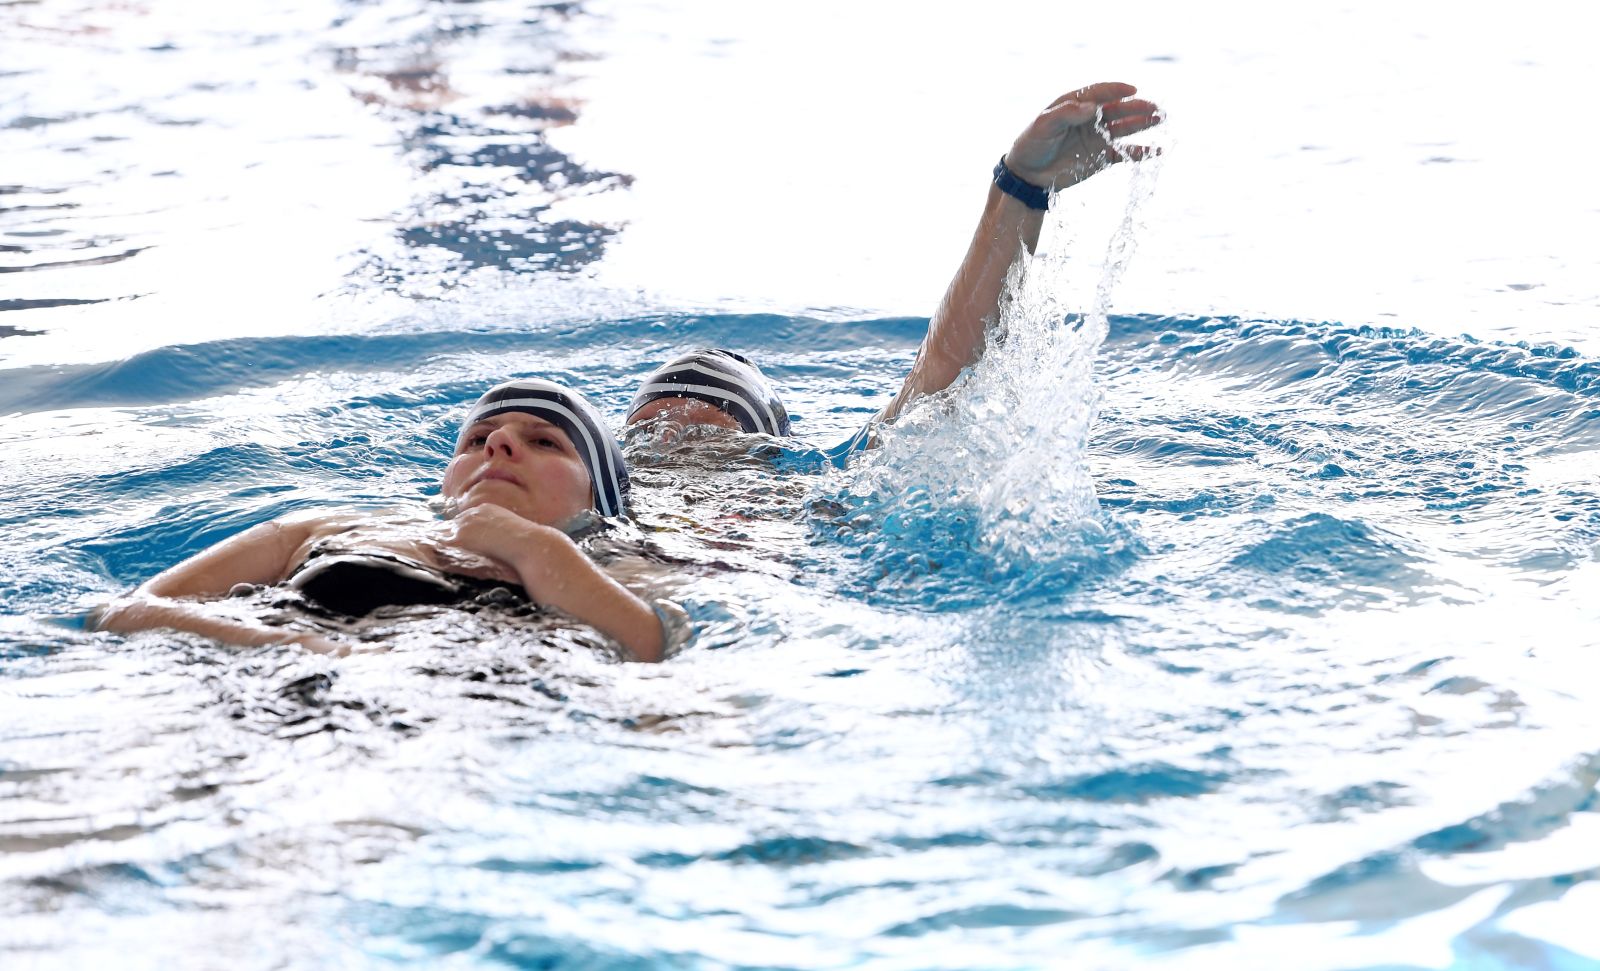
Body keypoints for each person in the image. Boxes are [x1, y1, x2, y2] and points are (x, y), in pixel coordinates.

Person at [625, 81, 1162, 447]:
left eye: (706, 433)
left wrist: (1019, 188)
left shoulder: (809, 493)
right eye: (645, 434)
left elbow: (944, 372)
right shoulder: (589, 513)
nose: (672, 442)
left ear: (767, 453)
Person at [94, 378, 684, 662]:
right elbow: (123, 613)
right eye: (477, 439)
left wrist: (538, 551)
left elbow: (655, 654)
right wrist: (289, 645)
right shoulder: (325, 529)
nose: (499, 443)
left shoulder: (623, 569)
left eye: (546, 443)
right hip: (224, 685)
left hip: (429, 730)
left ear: (599, 496)